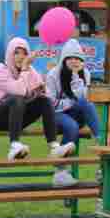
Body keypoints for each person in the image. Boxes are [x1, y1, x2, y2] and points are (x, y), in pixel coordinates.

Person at [0, 37, 73, 161]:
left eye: (24, 53)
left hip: (16, 120)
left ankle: (54, 146)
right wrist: (25, 69)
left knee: (44, 100)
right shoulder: (0, 71)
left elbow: (44, 92)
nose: (21, 57)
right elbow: (19, 91)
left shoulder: (28, 69)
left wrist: (39, 87)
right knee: (17, 99)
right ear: (9, 54)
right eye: (16, 53)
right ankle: (14, 145)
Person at [44, 39, 100, 187]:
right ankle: (61, 172)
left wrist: (76, 78)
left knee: (86, 103)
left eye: (78, 58)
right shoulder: (53, 75)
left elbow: (84, 99)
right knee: (72, 126)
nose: (74, 61)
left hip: (76, 113)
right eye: (70, 58)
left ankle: (100, 144)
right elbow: (50, 104)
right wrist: (71, 101)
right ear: (64, 59)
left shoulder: (85, 73)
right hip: (55, 115)